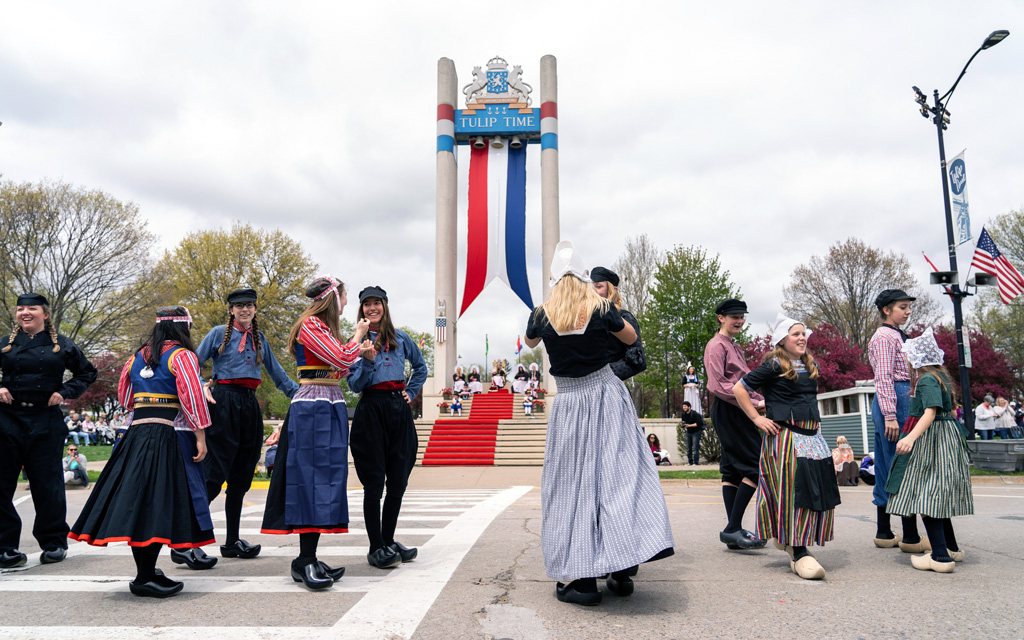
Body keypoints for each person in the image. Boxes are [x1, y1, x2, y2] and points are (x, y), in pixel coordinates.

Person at [525, 241, 673, 606]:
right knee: (619, 478)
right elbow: (631, 338)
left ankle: (585, 581)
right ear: (583, 277)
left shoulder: (541, 314)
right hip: (606, 395)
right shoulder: (601, 308)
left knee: (572, 487)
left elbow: (529, 342)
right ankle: (621, 569)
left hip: (570, 402)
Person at [70, 306, 214, 598]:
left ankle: (146, 572)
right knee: (158, 505)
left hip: (137, 434)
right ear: (183, 328)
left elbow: (125, 397)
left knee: (141, 503)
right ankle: (145, 577)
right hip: (165, 434)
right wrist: (200, 436)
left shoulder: (138, 356)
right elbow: (192, 396)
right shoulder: (183, 356)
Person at [260, 276, 371, 590]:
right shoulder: (311, 325)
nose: (347, 304)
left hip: (329, 403)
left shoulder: (324, 329)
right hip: (313, 406)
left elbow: (344, 367)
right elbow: (341, 358)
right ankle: (305, 559)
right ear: (333, 299)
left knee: (326, 480)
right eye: (345, 298)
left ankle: (307, 557)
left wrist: (360, 351)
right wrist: (357, 338)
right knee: (312, 479)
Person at [734, 314, 840, 580]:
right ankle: (798, 550)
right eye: (796, 334)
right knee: (794, 494)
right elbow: (739, 388)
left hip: (812, 438)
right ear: (783, 339)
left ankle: (794, 540)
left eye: (804, 333)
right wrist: (758, 418)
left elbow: (791, 396)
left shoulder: (808, 364)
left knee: (816, 492)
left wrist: (767, 404)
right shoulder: (773, 364)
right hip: (786, 439)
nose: (802, 338)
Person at [0, 293, 98, 569]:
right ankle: (4, 547)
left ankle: (54, 542)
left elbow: (87, 373)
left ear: (45, 314)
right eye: (20, 309)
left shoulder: (62, 346)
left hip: (45, 421)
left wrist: (64, 392)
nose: (25, 313)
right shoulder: (5, 345)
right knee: (2, 483)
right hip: (7, 420)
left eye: (31, 308)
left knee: (48, 484)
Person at [348, 285, 428, 569]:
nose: (372, 308)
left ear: (384, 305)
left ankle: (388, 539)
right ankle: (375, 547)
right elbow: (354, 385)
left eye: (376, 303)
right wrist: (367, 362)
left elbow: (421, 367)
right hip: (371, 409)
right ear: (361, 310)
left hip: (398, 408)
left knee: (398, 480)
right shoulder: (356, 342)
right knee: (374, 483)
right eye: (367, 304)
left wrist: (411, 391)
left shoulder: (401, 338)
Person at [885, 328, 973, 573]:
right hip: (946, 439)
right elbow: (953, 412)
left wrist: (911, 438)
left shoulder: (926, 379)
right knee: (938, 496)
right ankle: (952, 548)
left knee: (927, 495)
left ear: (918, 359)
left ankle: (940, 557)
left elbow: (930, 412)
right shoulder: (942, 378)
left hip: (930, 440)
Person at [703, 298, 767, 551]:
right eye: (733, 316)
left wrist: (760, 397)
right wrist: (755, 401)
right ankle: (732, 528)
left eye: (741, 316)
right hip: (731, 409)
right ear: (721, 318)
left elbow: (746, 380)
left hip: (738, 407)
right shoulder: (716, 345)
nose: (739, 320)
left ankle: (734, 531)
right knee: (755, 466)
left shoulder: (733, 346)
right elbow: (718, 385)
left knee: (731, 470)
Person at [867, 289, 925, 551]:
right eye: (903, 307)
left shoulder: (897, 335)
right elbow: (884, 377)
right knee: (900, 463)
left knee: (886, 464)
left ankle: (884, 531)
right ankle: (910, 536)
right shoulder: (885, 337)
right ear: (886, 310)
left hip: (897, 398)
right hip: (894, 399)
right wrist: (891, 415)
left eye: (908, 307)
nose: (908, 311)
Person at [591, 266, 646, 381]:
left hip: (611, 388)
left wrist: (601, 375)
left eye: (599, 286)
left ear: (613, 290)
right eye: (590, 287)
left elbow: (637, 361)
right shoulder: (583, 319)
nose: (593, 291)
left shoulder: (625, 318)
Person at [679, 401, 705, 466]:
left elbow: (699, 424)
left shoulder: (694, 414)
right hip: (689, 432)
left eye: (685, 406)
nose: (684, 408)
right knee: (688, 448)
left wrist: (689, 425)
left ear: (689, 407)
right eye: (683, 406)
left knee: (695, 447)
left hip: (696, 432)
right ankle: (690, 462)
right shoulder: (683, 414)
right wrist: (682, 425)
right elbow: (684, 422)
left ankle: (696, 462)